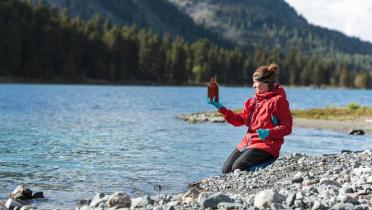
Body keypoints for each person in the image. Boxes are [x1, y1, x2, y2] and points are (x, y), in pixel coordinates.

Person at [208, 63, 292, 174]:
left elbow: (287, 128)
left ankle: (268, 165)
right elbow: (239, 120)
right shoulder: (253, 101)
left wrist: (269, 132)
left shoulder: (278, 101)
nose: (253, 86)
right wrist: (219, 107)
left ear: (266, 82)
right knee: (226, 170)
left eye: (255, 82)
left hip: (267, 146)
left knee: (237, 168)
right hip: (248, 143)